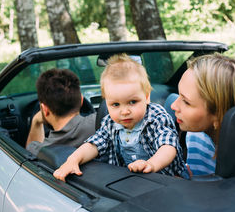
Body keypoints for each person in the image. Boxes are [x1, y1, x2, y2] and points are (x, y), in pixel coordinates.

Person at [53, 54, 186, 181]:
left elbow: (168, 146)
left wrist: (151, 164)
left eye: (132, 102)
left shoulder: (156, 118)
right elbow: (94, 145)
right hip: (131, 181)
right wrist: (73, 160)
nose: (124, 111)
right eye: (115, 104)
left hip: (167, 179)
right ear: (107, 103)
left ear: (146, 97)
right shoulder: (110, 123)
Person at [26, 68, 96, 156]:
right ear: (81, 100)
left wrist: (36, 122)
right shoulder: (102, 124)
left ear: (45, 109)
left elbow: (29, 155)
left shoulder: (40, 151)